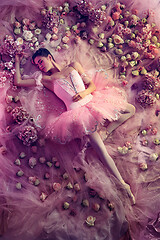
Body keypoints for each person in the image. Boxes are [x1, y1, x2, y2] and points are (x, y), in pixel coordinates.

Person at [14, 48, 136, 204]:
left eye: (40, 61)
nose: (40, 66)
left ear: (49, 57)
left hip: (92, 101)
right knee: (102, 152)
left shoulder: (74, 66)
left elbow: (91, 86)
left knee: (130, 110)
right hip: (78, 115)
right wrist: (17, 61)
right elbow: (18, 81)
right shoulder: (46, 80)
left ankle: (105, 132)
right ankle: (124, 186)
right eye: (37, 65)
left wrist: (84, 93)